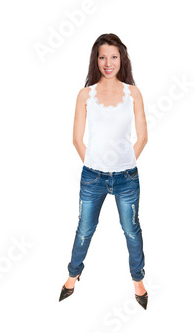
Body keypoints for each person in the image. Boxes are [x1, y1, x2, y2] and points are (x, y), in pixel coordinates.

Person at [59, 33, 149, 309]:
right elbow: (76, 138)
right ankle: (72, 275)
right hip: (93, 177)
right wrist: (97, 165)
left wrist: (123, 164)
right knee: (84, 230)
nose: (108, 63)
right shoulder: (86, 94)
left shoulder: (132, 93)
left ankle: (138, 280)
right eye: (102, 57)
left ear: (121, 59)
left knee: (131, 230)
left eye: (113, 56)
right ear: (95, 60)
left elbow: (143, 137)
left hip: (127, 178)